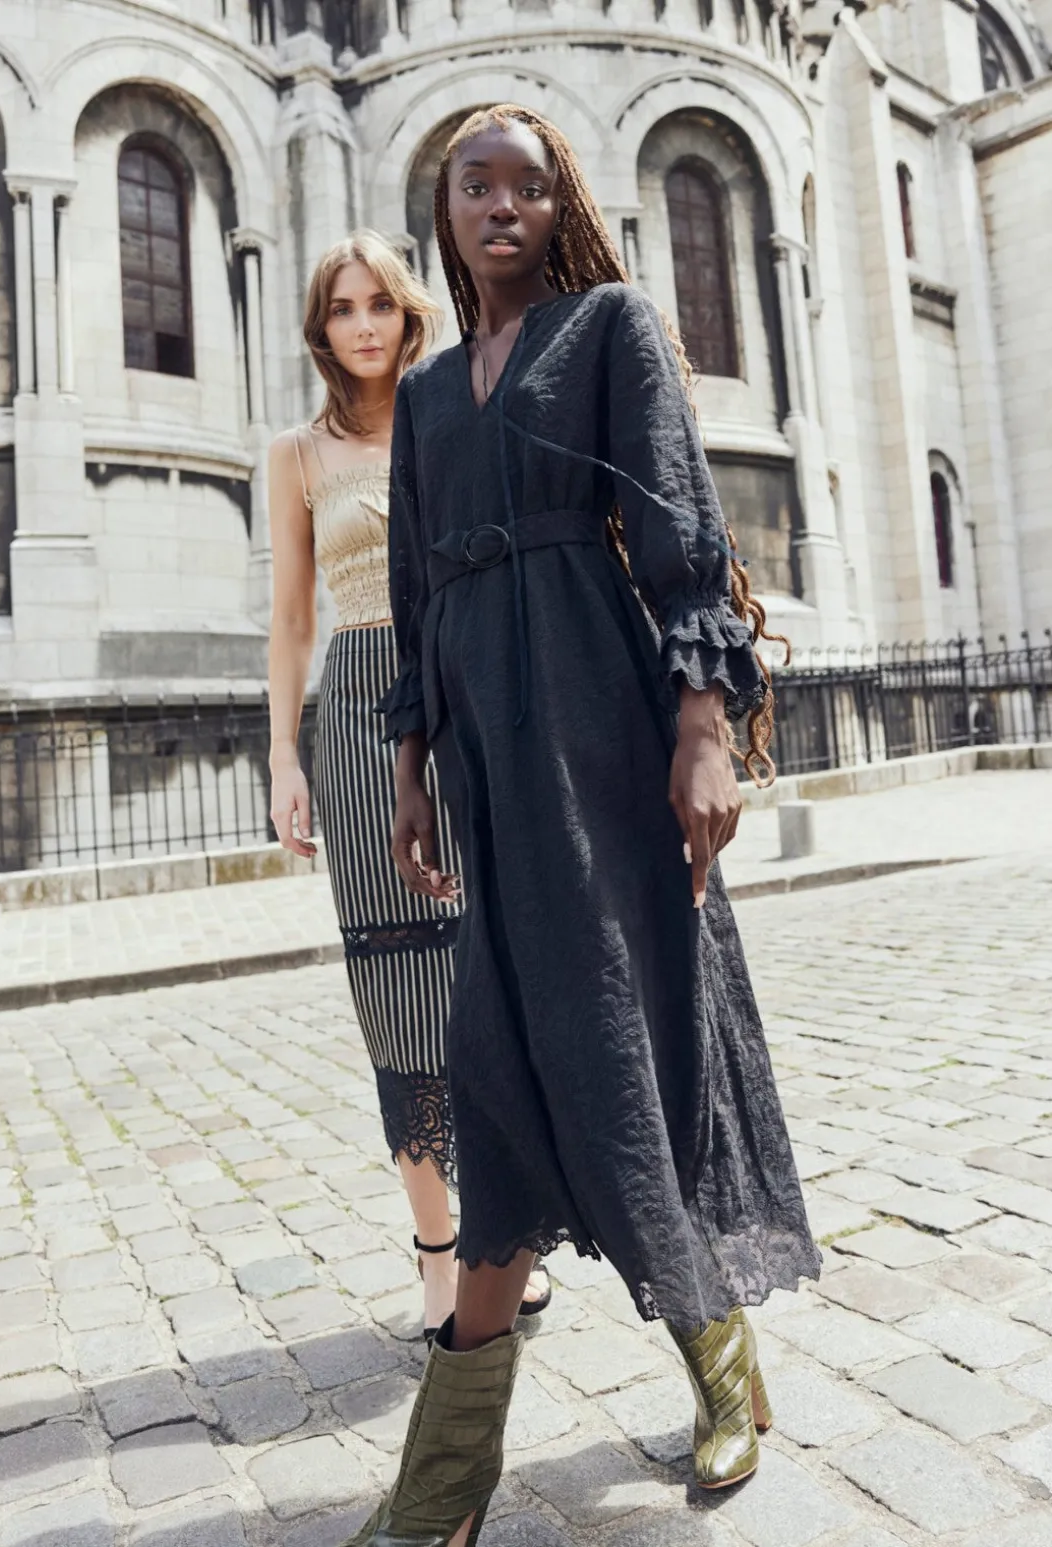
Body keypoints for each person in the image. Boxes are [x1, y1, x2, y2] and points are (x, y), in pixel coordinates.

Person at [344, 109, 820, 1547]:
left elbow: (680, 528)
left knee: (632, 1039)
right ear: (443, 210)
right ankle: (454, 1475)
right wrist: (411, 759)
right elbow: (413, 592)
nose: (502, 205)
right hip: (484, 756)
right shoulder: (427, 394)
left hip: (600, 728)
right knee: (496, 1057)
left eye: (527, 185)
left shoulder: (609, 327)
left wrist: (701, 727)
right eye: (474, 184)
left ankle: (709, 1367)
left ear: (560, 209)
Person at [267, 231, 551, 1345]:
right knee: (395, 982)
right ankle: (439, 1249)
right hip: (354, 708)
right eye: (342, 308)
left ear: (408, 312)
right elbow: (292, 620)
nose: (363, 325)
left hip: (467, 692)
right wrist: (283, 756)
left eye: (379, 303)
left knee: (490, 965)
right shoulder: (295, 454)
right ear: (320, 329)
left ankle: (502, 1234)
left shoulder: (453, 414)